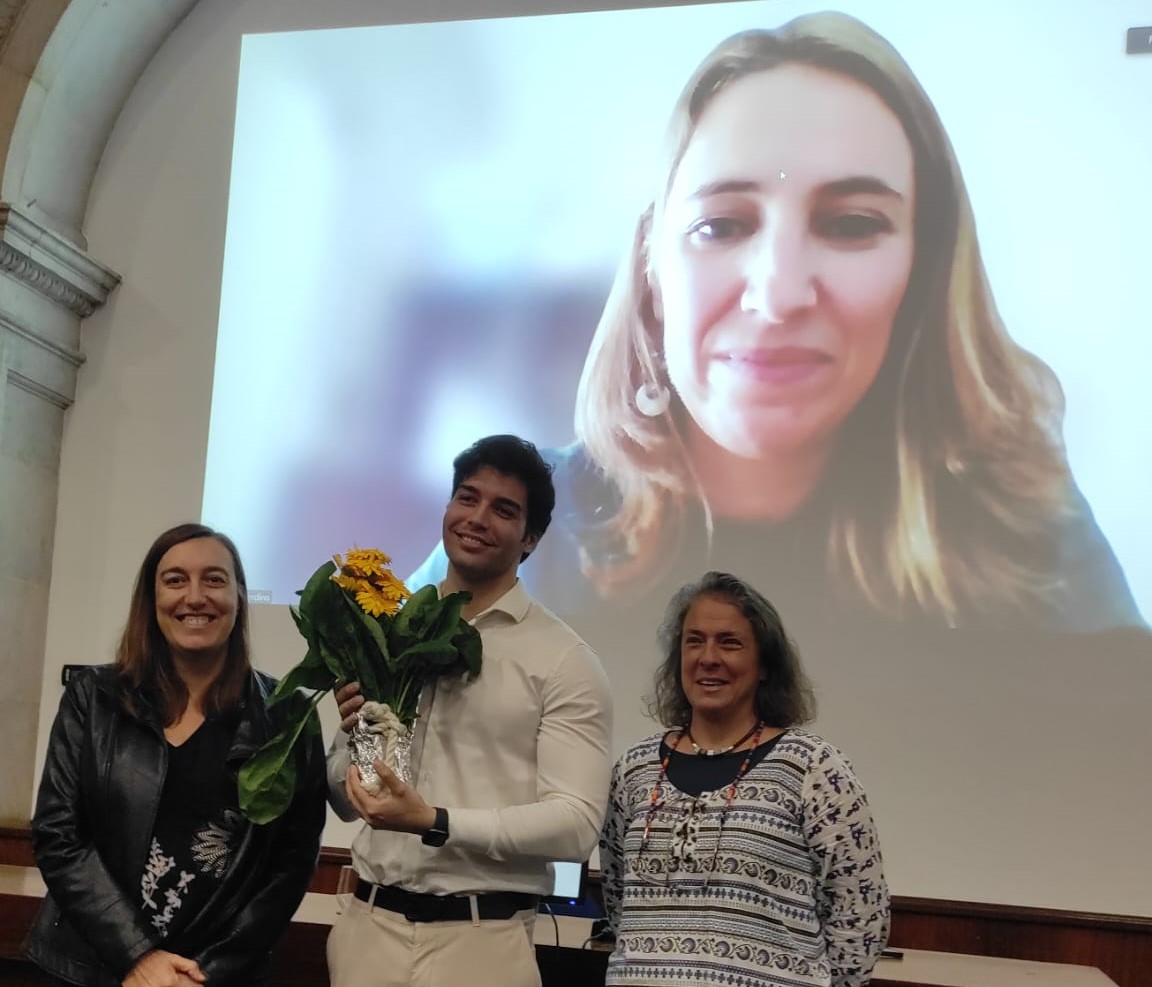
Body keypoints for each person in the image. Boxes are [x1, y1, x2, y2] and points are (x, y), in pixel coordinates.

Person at [406, 12, 1141, 633]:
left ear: (925, 269)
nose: (779, 293)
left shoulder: (1023, 527)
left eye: (853, 223)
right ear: (651, 268)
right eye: (721, 225)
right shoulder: (527, 512)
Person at [323, 433, 614, 987]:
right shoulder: (389, 630)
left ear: (532, 539)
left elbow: (576, 825)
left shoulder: (562, 660)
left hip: (481, 942)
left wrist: (436, 819)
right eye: (467, 497)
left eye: (504, 509)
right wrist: (351, 750)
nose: (478, 517)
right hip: (369, 928)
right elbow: (343, 793)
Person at [25, 523, 328, 987]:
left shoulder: (285, 714)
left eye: (215, 579)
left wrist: (210, 972)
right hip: (101, 977)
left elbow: (292, 861)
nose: (196, 596)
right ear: (151, 599)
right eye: (175, 580)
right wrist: (137, 957)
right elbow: (58, 834)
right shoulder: (94, 699)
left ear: (240, 597)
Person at [598, 570, 889, 987]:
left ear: (764, 664)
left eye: (730, 643)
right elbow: (617, 895)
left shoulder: (815, 769)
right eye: (694, 641)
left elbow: (861, 911)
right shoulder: (633, 771)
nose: (709, 658)